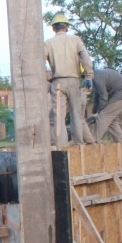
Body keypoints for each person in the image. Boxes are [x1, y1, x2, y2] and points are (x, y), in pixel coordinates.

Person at [45, 13, 95, 146]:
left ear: (53, 28)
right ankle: (79, 144)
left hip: (58, 83)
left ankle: (61, 147)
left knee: (59, 117)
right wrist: (89, 76)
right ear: (66, 27)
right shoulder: (76, 40)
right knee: (77, 115)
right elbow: (85, 58)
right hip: (74, 81)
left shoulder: (48, 43)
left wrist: (48, 76)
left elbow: (39, 64)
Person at [88, 68, 122, 143]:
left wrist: (99, 113)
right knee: (111, 120)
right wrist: (94, 113)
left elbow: (103, 97)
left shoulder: (96, 78)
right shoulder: (97, 76)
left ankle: (92, 141)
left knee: (104, 115)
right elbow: (97, 98)